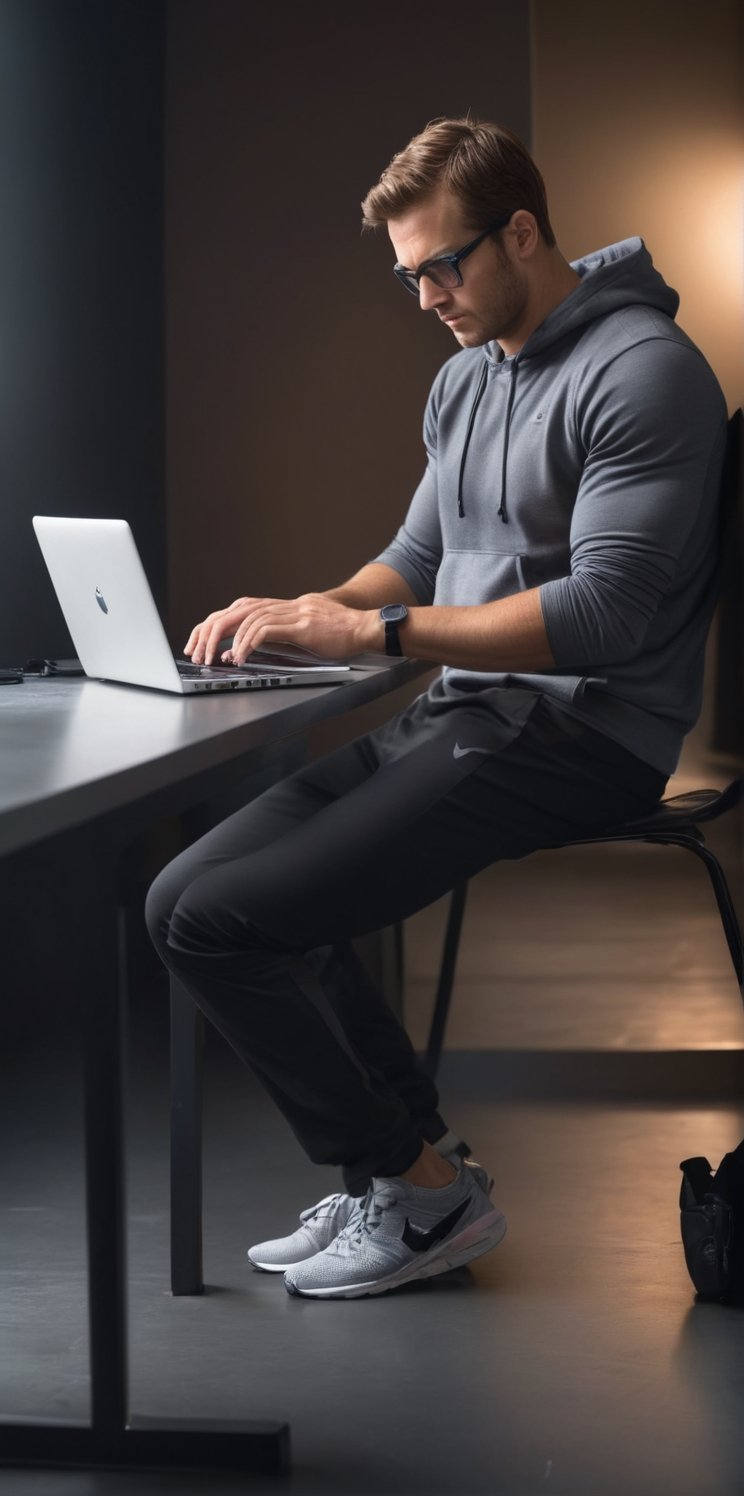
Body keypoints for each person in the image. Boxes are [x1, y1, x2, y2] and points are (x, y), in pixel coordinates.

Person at [146, 117, 727, 1301]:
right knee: (178, 899)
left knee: (236, 919)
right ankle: (416, 1174)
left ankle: (413, 1192)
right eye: (407, 274)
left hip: (582, 734)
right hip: (467, 714)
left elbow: (607, 615)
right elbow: (411, 559)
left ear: (522, 232)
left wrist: (378, 634)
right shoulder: (467, 377)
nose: (425, 296)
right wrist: (305, 606)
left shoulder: (646, 371)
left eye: (442, 265)